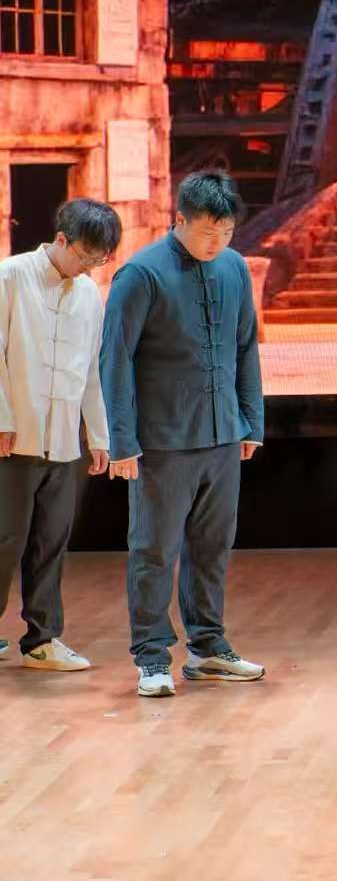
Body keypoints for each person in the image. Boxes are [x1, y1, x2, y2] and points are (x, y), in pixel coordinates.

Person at [101, 170, 266, 698]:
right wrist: (122, 441)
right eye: (207, 232)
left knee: (213, 547)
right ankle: (152, 658)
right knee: (154, 550)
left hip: (223, 436)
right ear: (180, 220)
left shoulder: (234, 267)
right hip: (162, 441)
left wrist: (251, 421)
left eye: (226, 232)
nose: (217, 243)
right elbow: (115, 361)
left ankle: (208, 648)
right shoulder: (141, 274)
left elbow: (245, 345)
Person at [0, 198, 120, 671]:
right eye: (85, 256)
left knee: (52, 541)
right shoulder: (11, 276)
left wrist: (100, 436)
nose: (89, 267)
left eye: (99, 260)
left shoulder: (89, 295)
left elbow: (91, 370)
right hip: (14, 437)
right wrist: (2, 419)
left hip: (66, 440)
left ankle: (43, 639)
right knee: (5, 539)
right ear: (62, 240)